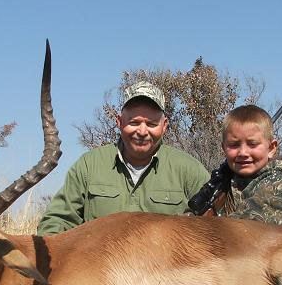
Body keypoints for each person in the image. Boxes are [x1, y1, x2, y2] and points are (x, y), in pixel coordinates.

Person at [37, 81, 210, 235]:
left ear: (164, 126)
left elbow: (215, 225)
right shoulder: (89, 165)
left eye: (151, 124)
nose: (142, 132)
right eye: (134, 122)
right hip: (101, 261)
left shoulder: (189, 170)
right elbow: (57, 221)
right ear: (119, 122)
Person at [216, 104, 282, 228]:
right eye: (234, 145)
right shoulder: (226, 183)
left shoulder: (279, 183)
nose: (243, 153)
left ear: (271, 148)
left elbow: (245, 228)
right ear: (223, 148)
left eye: (252, 144)